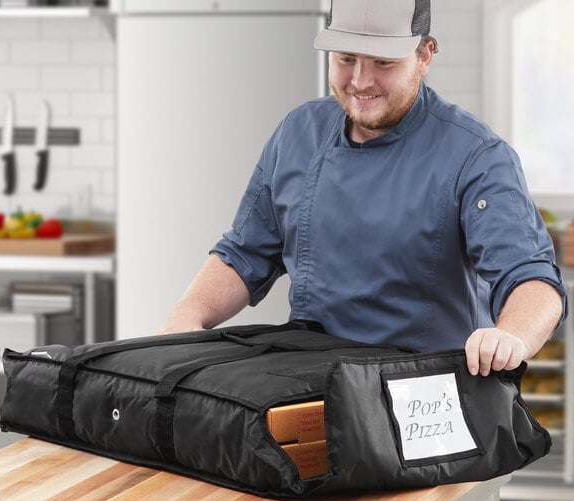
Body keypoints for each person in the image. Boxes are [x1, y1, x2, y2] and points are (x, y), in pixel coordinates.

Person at [159, 0, 566, 378]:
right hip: (307, 384)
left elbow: (531, 278)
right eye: (346, 59)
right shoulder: (298, 132)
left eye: (383, 62)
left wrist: (510, 335)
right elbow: (246, 252)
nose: (360, 81)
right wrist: (188, 315)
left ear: (425, 56)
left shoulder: (476, 155)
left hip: (421, 398)